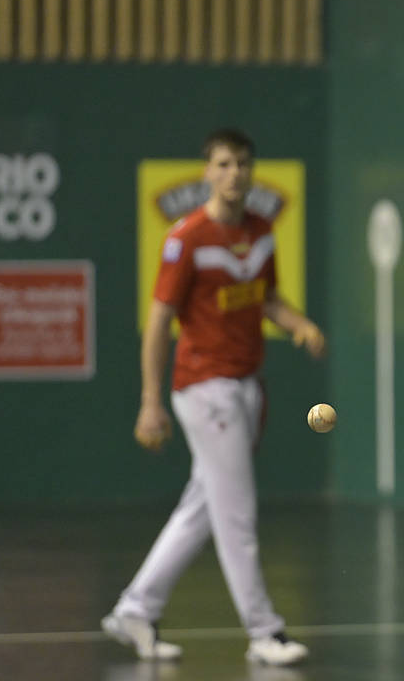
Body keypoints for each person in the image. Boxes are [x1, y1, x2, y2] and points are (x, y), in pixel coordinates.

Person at [101, 128, 326, 666]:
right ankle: (264, 632)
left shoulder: (262, 230)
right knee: (238, 514)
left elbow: (265, 295)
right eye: (223, 164)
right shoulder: (186, 239)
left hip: (247, 386)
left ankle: (135, 607)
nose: (234, 174)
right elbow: (158, 322)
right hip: (204, 388)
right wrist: (151, 400)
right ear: (207, 172)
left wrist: (297, 323)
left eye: (243, 164)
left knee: (202, 507)